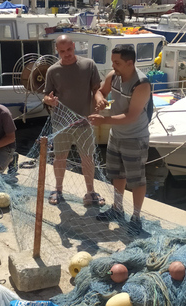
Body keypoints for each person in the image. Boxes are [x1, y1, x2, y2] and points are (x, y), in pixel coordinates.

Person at [88, 45, 151, 235]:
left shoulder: (141, 84)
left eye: (117, 63)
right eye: (112, 62)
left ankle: (136, 218)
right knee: (117, 174)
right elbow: (100, 91)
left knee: (137, 180)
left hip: (135, 137)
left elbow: (131, 116)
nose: (113, 66)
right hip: (116, 135)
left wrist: (104, 120)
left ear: (130, 63)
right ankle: (117, 209)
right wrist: (99, 98)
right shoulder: (113, 76)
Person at [43, 34, 105, 206]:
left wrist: (99, 99)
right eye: (62, 51)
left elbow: (96, 90)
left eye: (69, 49)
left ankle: (90, 192)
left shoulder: (88, 65)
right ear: (57, 51)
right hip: (61, 123)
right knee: (59, 157)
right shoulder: (52, 71)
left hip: (84, 122)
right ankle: (58, 189)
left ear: (74, 46)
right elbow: (45, 96)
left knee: (87, 158)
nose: (67, 54)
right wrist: (49, 100)